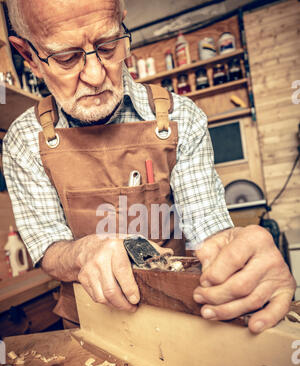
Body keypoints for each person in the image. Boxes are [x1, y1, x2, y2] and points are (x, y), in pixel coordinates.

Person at [3, 0, 295, 333]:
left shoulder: (180, 118)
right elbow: (49, 248)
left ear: (121, 24)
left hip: (178, 322)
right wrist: (84, 251)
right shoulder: (24, 141)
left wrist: (237, 257)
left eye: (108, 46)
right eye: (67, 57)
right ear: (29, 57)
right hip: (91, 326)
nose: (97, 75)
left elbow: (208, 230)